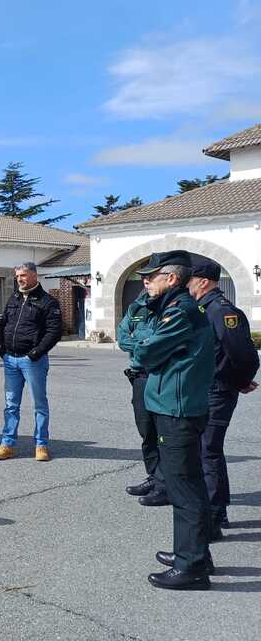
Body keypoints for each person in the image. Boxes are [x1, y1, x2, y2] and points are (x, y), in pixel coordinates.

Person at [133, 251, 215, 591]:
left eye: (152, 276)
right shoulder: (173, 308)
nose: (146, 282)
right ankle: (194, 553)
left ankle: (192, 566)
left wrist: (143, 347)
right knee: (188, 484)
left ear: (172, 279)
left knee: (184, 489)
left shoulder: (179, 311)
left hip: (177, 410)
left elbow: (146, 351)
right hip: (176, 407)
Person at [187, 260, 260, 538]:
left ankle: (215, 516)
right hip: (206, 388)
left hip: (216, 390)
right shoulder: (203, 308)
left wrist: (239, 382)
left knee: (209, 451)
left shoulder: (221, 310)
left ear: (204, 281)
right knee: (204, 450)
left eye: (191, 280)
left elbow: (242, 354)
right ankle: (213, 511)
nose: (187, 285)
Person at [0, 262, 62, 462]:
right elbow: (4, 322)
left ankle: (41, 445)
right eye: (17, 276)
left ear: (34, 276)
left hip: (33, 361)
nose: (19, 279)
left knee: (39, 404)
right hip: (10, 359)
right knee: (10, 404)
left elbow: (54, 332)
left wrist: (36, 353)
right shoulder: (14, 298)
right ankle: (7, 444)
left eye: (22, 275)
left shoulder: (48, 302)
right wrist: (0, 347)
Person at [117, 277, 168, 507]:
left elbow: (160, 344)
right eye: (144, 280)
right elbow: (122, 337)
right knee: (146, 430)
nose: (147, 283)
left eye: (151, 279)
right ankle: (154, 477)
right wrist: (144, 342)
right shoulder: (136, 307)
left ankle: (166, 484)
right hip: (139, 378)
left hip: (161, 377)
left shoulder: (170, 307)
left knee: (164, 433)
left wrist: (141, 342)